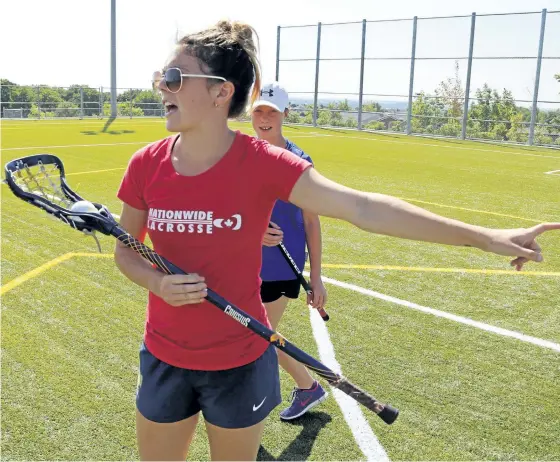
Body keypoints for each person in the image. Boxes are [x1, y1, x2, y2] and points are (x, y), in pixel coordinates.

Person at [113, 19, 559, 462]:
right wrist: (156, 284)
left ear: (220, 91)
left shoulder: (265, 163)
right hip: (164, 355)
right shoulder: (145, 165)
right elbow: (125, 251)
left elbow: (363, 208)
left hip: (241, 360)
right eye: (160, 78)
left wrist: (485, 237)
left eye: (173, 78)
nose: (162, 88)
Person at [251, 82, 329, 421]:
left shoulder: (299, 161)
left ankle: (305, 385)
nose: (264, 118)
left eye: (272, 111)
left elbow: (312, 222)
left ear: (284, 114)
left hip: (282, 266)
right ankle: (306, 386)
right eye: (259, 111)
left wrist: (317, 278)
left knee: (256, 332)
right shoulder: (242, 154)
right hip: (245, 260)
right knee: (253, 330)